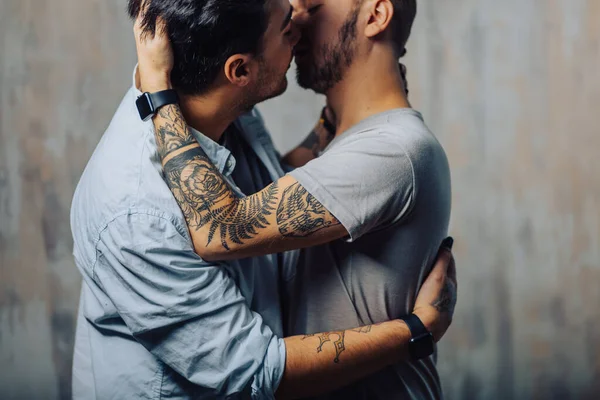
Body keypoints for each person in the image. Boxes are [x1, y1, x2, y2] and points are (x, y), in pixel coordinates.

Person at [70, 0, 456, 398]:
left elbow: (272, 190)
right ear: (239, 71)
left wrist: (349, 108)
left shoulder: (229, 114)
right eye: (287, 23)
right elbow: (223, 232)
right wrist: (418, 330)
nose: (300, 17)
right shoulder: (137, 212)